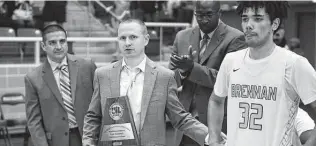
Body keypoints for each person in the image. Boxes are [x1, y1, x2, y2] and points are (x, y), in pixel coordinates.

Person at [82, 18, 210, 146]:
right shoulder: (103, 75)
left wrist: (211, 136)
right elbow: (93, 116)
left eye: (133, 37)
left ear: (146, 39)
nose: (127, 43)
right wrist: (88, 140)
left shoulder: (164, 77)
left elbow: (180, 118)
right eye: (122, 38)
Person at [207, 1, 316, 146]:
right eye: (245, 19)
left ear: (274, 24)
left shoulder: (294, 64)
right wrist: (214, 139)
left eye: (257, 19)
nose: (248, 25)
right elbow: (216, 100)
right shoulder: (231, 61)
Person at [169, 1, 246, 146]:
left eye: (209, 15)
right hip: (186, 123)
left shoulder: (236, 38)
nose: (204, 19)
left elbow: (229, 80)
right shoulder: (182, 37)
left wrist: (192, 69)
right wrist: (183, 72)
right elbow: (171, 80)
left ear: (219, 13)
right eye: (200, 15)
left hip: (218, 125)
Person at [24, 24, 97, 146]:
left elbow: (99, 103)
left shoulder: (87, 66)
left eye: (62, 41)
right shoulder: (33, 78)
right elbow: (34, 121)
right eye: (52, 43)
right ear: (43, 46)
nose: (58, 46)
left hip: (89, 138)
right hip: (55, 141)